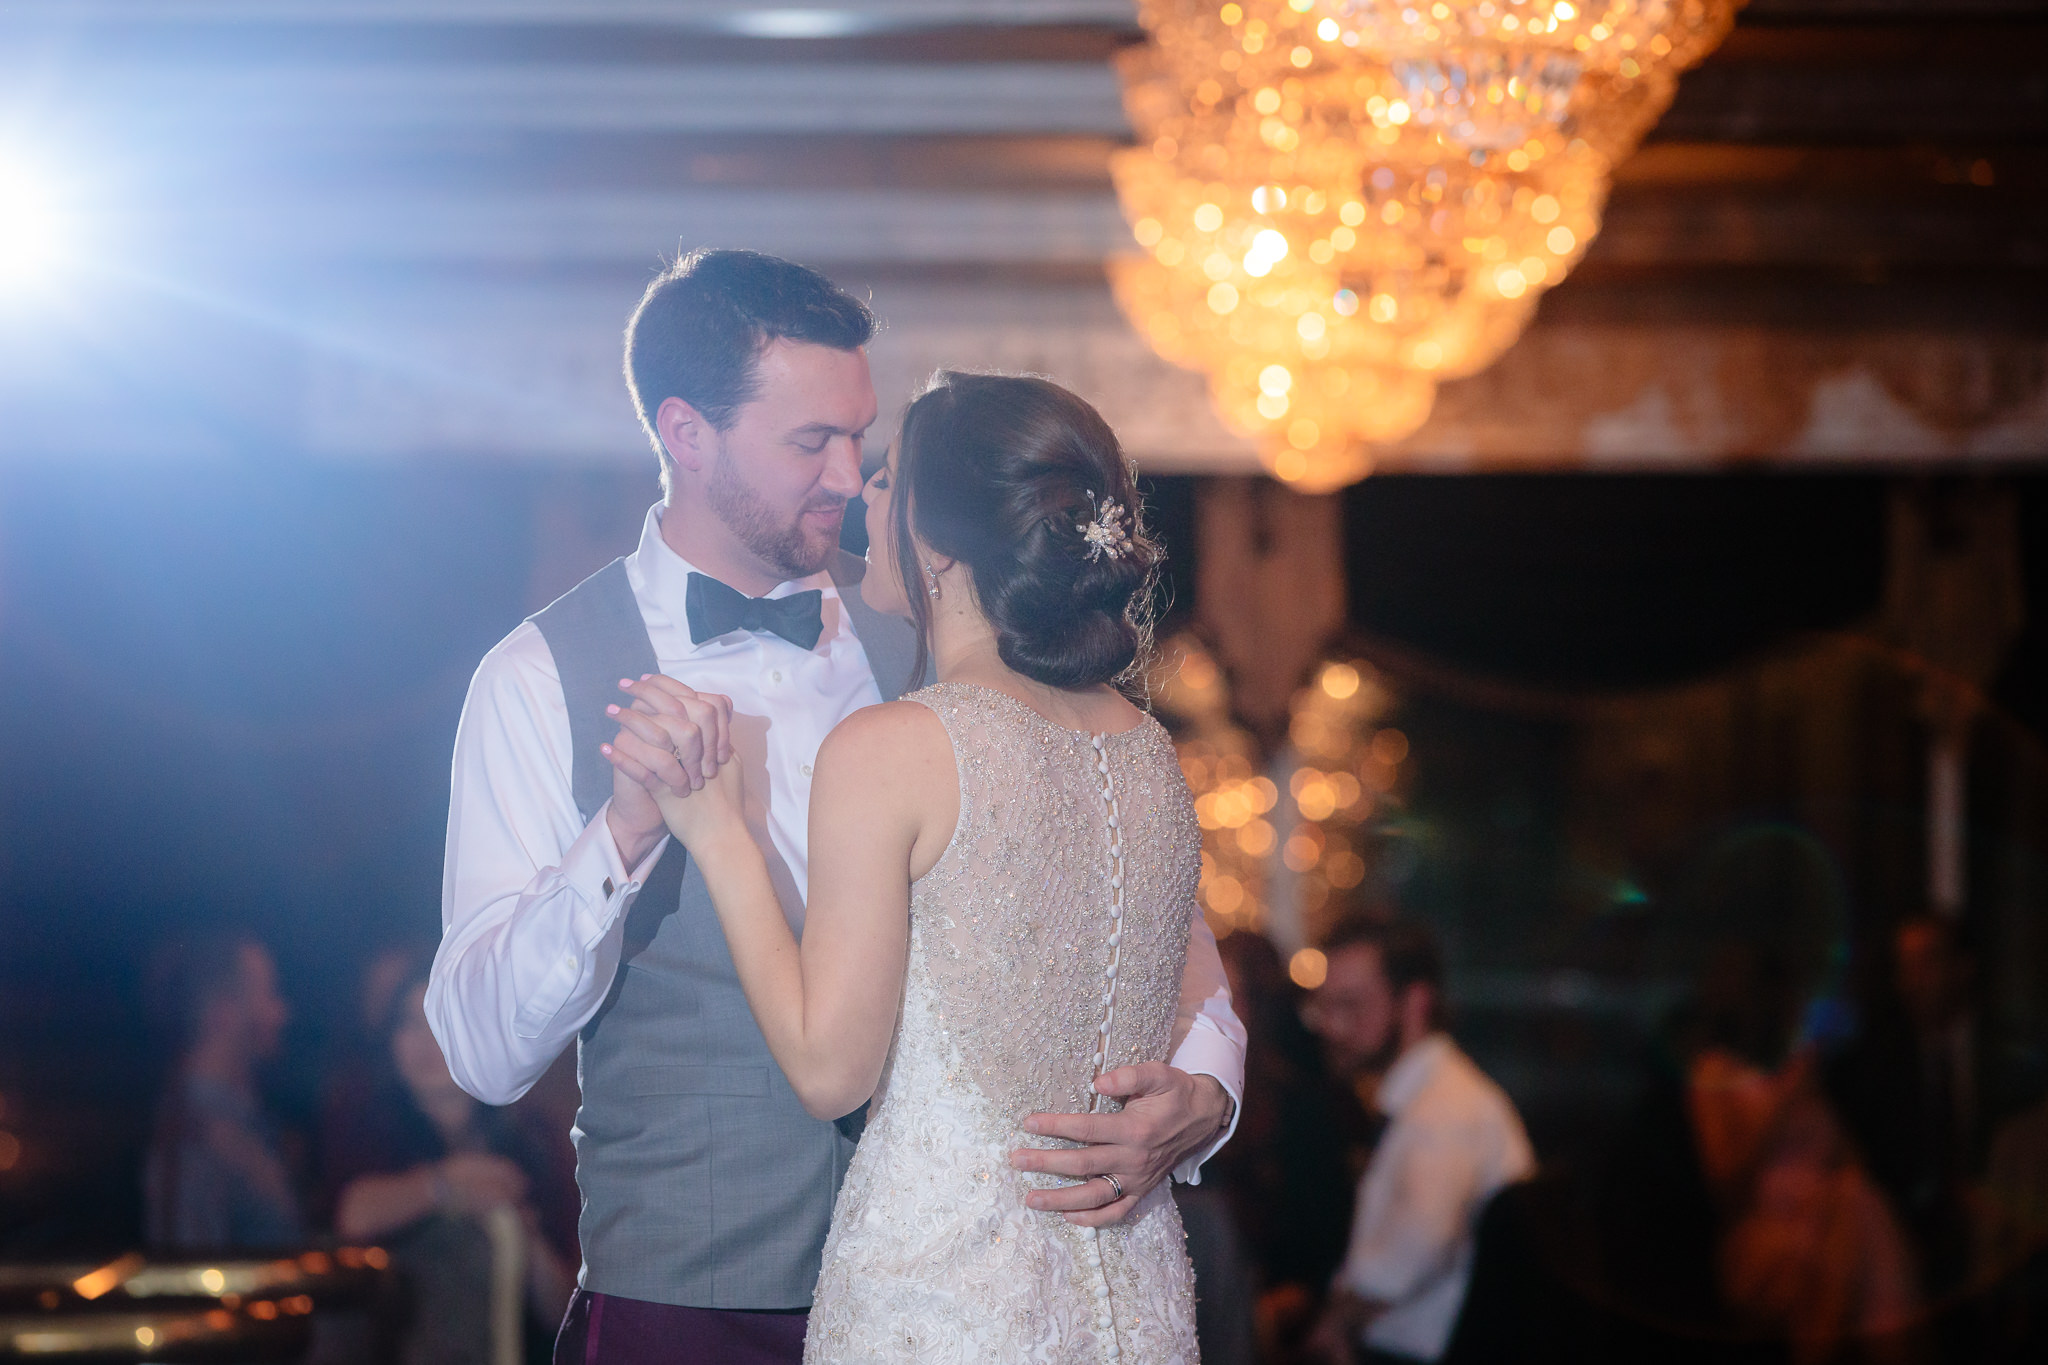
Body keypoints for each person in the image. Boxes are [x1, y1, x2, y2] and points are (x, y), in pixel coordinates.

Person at [427, 250, 1245, 1364]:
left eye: (859, 437)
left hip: (970, 1298)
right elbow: (480, 1052)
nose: (849, 478)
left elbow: (1151, 919)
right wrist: (619, 836)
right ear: (685, 433)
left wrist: (1208, 1089)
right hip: (692, 1303)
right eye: (810, 442)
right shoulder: (535, 679)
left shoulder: (948, 643)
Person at [638, 370, 1210, 1361]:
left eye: (887, 480)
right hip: (1133, 1296)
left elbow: (830, 1071)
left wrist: (717, 832)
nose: (861, 494)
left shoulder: (896, 746)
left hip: (944, 1298)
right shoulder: (1147, 753)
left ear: (939, 544)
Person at [1302, 919, 1533, 1365]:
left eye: (1350, 1006)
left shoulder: (1445, 1108)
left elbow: (1411, 1253)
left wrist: (1332, 1325)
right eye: (1323, 1007)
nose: (1330, 1026)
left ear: (1415, 1002)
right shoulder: (1426, 1094)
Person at [324, 968, 577, 1365]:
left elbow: (565, 1310)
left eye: (443, 1019)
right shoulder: (365, 1122)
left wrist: (521, 1233)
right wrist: (444, 1185)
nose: (428, 1040)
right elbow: (350, 1216)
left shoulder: (531, 1141)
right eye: (410, 1022)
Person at [144, 933, 303, 1250]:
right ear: (222, 1011)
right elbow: (192, 1283)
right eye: (268, 994)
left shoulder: (241, 1123)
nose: (282, 1012)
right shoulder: (190, 1137)